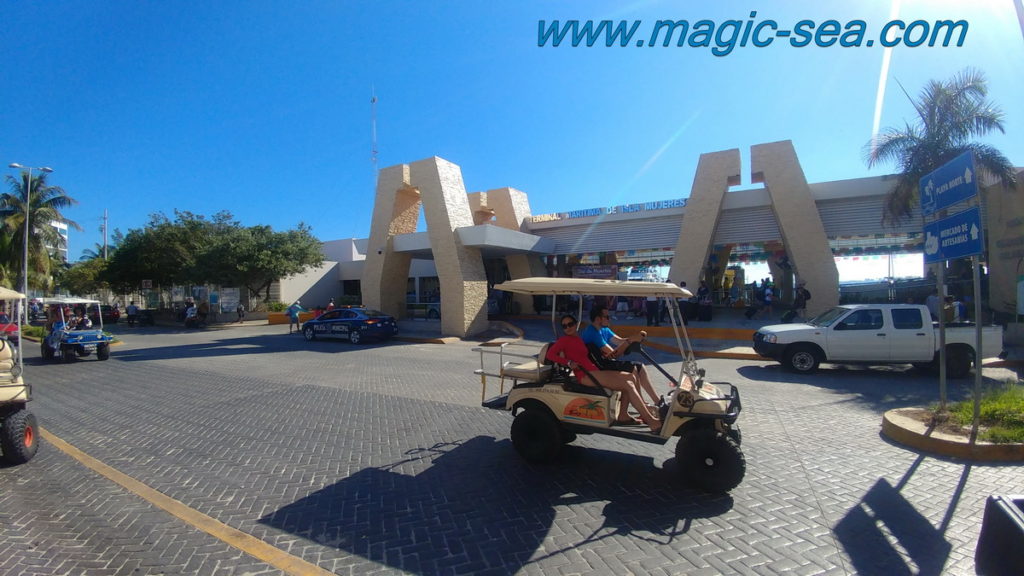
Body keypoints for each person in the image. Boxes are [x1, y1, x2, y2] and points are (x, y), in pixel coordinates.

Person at [546, 314, 661, 432]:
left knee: (631, 377)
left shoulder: (578, 339)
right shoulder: (563, 340)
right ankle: (651, 421)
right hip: (585, 375)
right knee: (628, 384)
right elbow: (550, 354)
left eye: (570, 324)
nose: (568, 328)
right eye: (564, 326)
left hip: (594, 371)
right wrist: (569, 362)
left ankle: (623, 415)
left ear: (576, 325)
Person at [581, 305, 662, 407]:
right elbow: (613, 354)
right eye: (607, 317)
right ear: (598, 319)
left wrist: (635, 338)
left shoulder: (604, 329)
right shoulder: (592, 332)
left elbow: (619, 341)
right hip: (597, 367)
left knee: (640, 366)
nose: (609, 319)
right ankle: (643, 405)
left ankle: (657, 401)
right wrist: (630, 340)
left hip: (603, 362)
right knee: (633, 369)